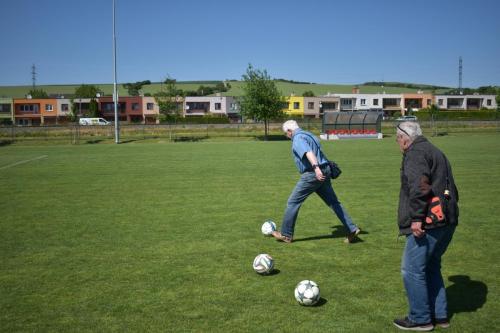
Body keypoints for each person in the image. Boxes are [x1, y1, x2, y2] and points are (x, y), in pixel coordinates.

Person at [393, 121, 459, 331]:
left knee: (411, 270)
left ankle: (420, 318)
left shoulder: (415, 153)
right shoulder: (434, 149)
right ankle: (440, 316)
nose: (397, 143)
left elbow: (420, 187)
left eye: (397, 139)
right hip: (447, 219)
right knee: (431, 267)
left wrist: (416, 219)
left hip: (429, 222)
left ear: (404, 138)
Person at [271, 120, 360, 244]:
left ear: (290, 131)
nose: (287, 136)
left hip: (313, 174)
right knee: (333, 202)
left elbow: (309, 153)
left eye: (286, 134)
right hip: (325, 170)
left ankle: (286, 235)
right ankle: (352, 228)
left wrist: (316, 169)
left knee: (293, 202)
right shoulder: (309, 135)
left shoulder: (298, 138)